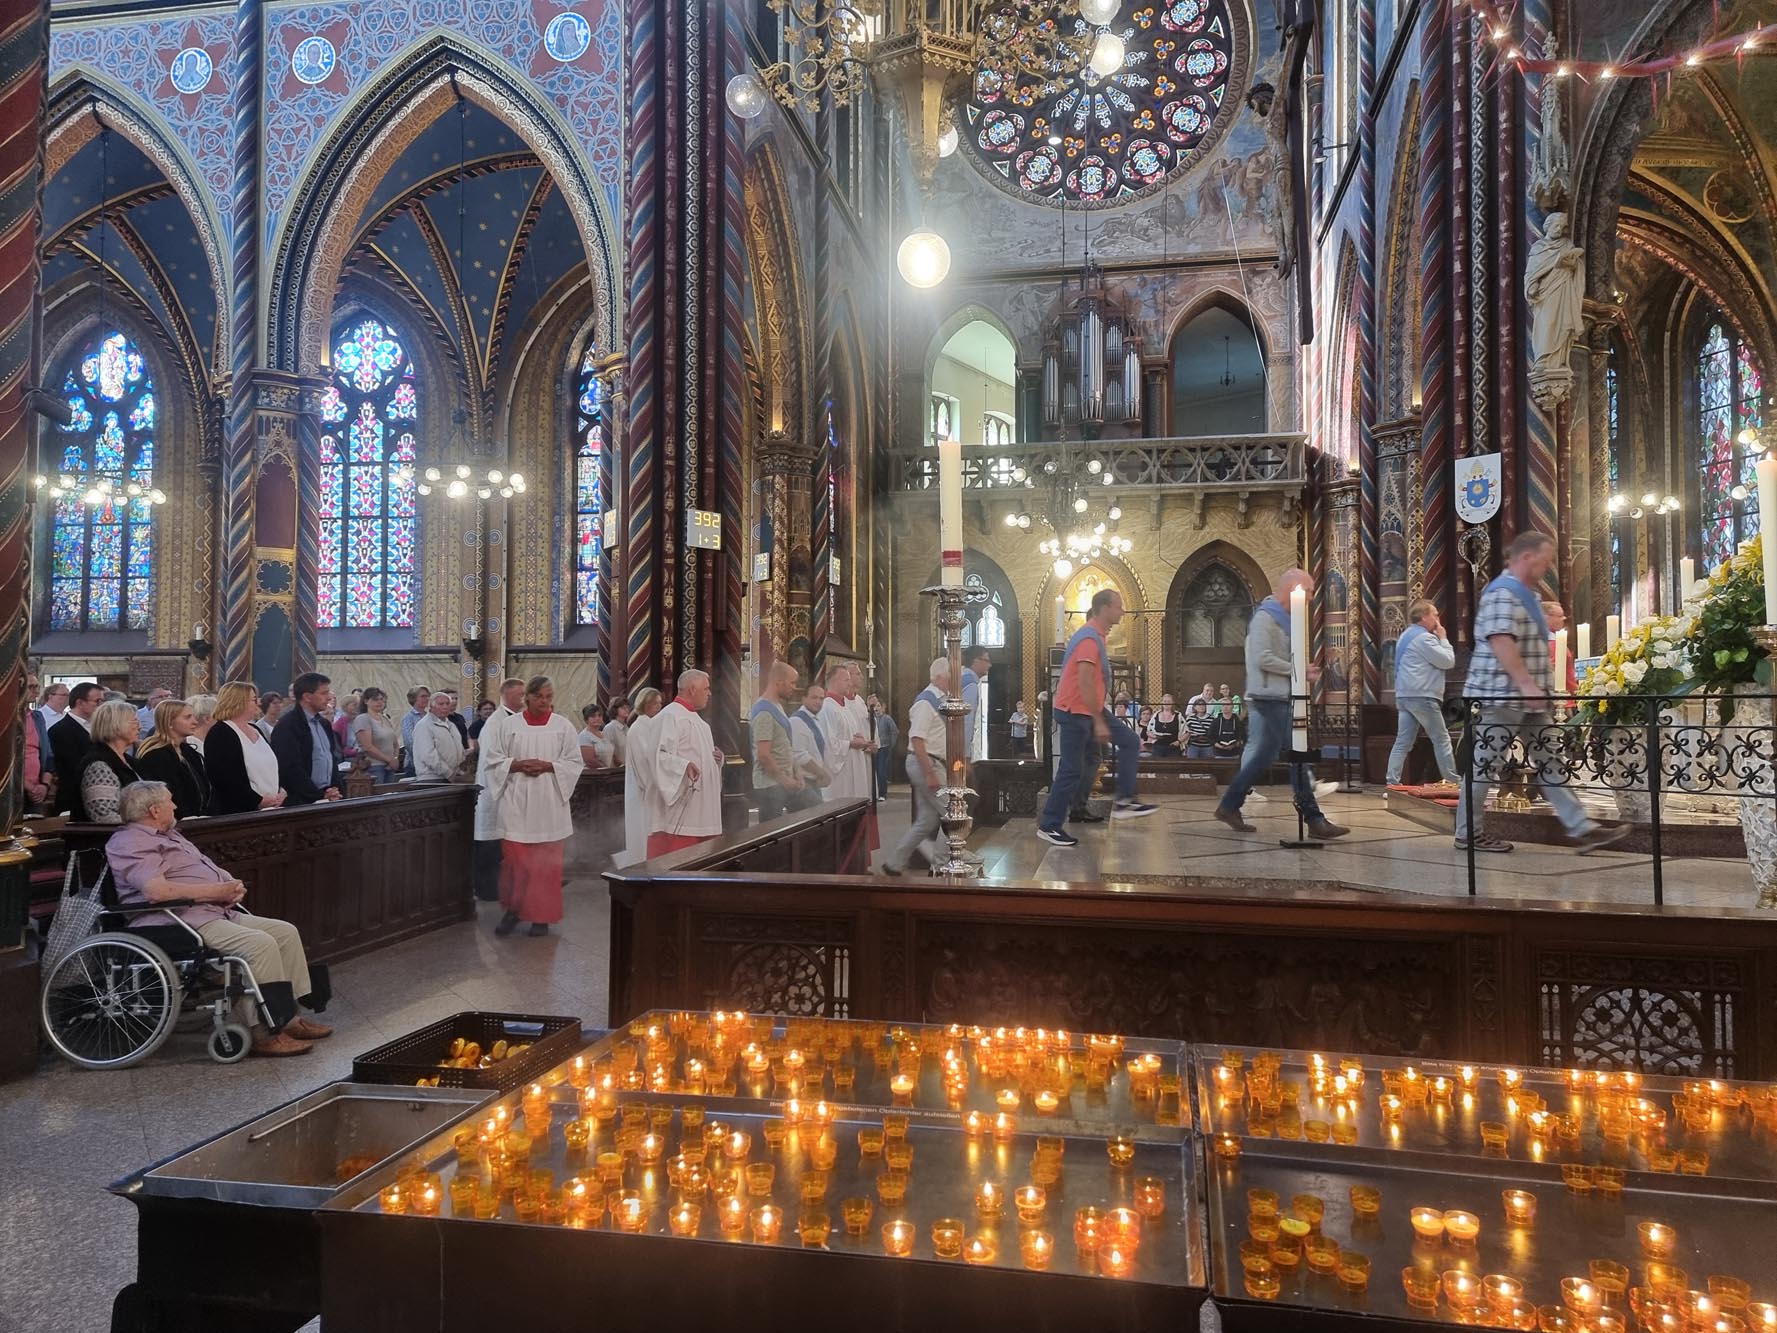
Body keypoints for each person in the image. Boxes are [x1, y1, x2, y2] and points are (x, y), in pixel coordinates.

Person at [106, 781, 331, 1056]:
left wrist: (232, 886)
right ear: (154, 810)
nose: (175, 806)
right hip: (176, 921)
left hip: (210, 911)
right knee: (260, 944)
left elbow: (205, 868)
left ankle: (289, 1019)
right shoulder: (131, 842)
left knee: (285, 932)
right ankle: (263, 1031)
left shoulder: (171, 835)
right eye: (170, 801)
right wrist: (216, 891)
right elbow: (157, 892)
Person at [1454, 532, 1628, 855]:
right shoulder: (1503, 593)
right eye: (1545, 560)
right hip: (1502, 696)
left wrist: (1540, 690)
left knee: (1551, 761)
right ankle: (1468, 834)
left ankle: (1582, 829)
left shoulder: (1528, 595)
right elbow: (1501, 640)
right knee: (1485, 765)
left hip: (1528, 700)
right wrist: (1526, 684)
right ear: (1526, 557)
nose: (1548, 567)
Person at [1213, 569, 1350, 840]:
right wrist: (1297, 669)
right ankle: (1233, 805)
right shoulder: (1266, 618)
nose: (1311, 597)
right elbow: (1261, 657)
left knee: (1295, 755)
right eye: (1308, 591)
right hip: (1266, 698)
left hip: (1279, 696)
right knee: (1276, 755)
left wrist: (1298, 671)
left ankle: (1312, 819)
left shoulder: (1284, 620)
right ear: (1292, 588)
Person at [1038, 589, 1157, 846]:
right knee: (1071, 768)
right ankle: (1049, 825)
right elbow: (1084, 682)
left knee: (1123, 743)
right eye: (1118, 606)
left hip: (1088, 709)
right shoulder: (1089, 639)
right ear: (1105, 608)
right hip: (1074, 711)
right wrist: (1099, 721)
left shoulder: (1098, 636)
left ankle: (1117, 802)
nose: (1122, 611)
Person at [482, 676, 584, 936]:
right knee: (516, 862)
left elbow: (574, 762)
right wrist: (517, 765)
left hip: (549, 802)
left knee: (545, 864)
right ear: (527, 697)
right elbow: (492, 760)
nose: (544, 701)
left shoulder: (563, 726)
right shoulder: (508, 725)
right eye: (539, 696)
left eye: (549, 697)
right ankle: (513, 910)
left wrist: (548, 765)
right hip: (516, 801)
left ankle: (541, 917)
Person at [882, 658, 951, 876]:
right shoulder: (925, 702)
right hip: (926, 762)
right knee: (954, 814)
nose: (954, 682)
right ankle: (941, 866)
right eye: (951, 677)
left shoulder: (940, 700)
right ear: (938, 677)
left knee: (927, 820)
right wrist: (929, 773)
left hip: (929, 762)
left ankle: (894, 863)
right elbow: (917, 739)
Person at [648, 669, 724, 857]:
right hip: (682, 808)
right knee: (679, 859)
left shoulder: (701, 723)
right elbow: (657, 757)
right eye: (706, 688)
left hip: (704, 808)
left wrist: (716, 759)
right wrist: (683, 766)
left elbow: (702, 756)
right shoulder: (669, 716)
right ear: (692, 689)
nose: (709, 693)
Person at [1386, 599, 1460, 786]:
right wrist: (1443, 638)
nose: (1438, 619)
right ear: (1424, 617)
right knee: (1441, 739)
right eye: (1435, 615)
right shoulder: (1425, 638)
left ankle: (1392, 783)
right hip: (1422, 695)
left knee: (1403, 741)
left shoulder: (1405, 635)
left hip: (1404, 695)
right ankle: (1453, 782)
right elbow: (1448, 661)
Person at [471, 678, 527, 901]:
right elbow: (492, 760)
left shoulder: (515, 719)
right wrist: (522, 765)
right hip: (495, 792)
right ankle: (486, 891)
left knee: (503, 846)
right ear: (507, 695)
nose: (524, 698)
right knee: (490, 847)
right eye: (521, 694)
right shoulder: (495, 724)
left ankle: (503, 887)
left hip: (510, 792)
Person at [205, 682, 288, 813]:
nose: (258, 703)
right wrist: (258, 801)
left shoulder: (255, 729)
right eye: (254, 699)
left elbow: (272, 764)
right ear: (238, 702)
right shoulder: (221, 733)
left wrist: (281, 791)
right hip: (240, 811)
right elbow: (225, 777)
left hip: (271, 807)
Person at [134, 698, 213, 821]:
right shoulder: (156, 756)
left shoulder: (189, 752)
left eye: (193, 716)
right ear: (169, 722)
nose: (195, 722)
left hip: (198, 819)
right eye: (187, 717)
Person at [270, 672, 342, 805]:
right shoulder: (288, 725)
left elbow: (330, 759)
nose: (328, 698)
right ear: (307, 697)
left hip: (328, 796)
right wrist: (317, 795)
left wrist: (334, 789)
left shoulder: (324, 724)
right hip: (302, 801)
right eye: (324, 693)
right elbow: (289, 767)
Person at [71, 699, 143, 823]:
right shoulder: (99, 766)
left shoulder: (130, 761)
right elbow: (105, 816)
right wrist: (145, 825)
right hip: (112, 834)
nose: (140, 727)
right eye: (134, 721)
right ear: (115, 725)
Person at [750, 662, 805, 822]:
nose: (794, 687)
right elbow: (764, 755)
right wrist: (786, 781)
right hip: (769, 786)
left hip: (783, 783)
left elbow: (785, 745)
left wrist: (797, 772)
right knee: (772, 832)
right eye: (792, 683)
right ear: (779, 681)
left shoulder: (777, 706)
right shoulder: (764, 712)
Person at [618, 687, 665, 866]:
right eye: (654, 703)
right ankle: (641, 866)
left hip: (654, 788)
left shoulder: (654, 726)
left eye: (660, 703)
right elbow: (642, 762)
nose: (658, 707)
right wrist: (658, 786)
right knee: (642, 830)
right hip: (643, 790)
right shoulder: (638, 729)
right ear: (645, 704)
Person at [49, 682, 103, 813]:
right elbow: (73, 765)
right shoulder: (61, 730)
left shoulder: (97, 727)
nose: (101, 706)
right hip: (74, 799)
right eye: (97, 701)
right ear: (80, 703)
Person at [790, 679, 833, 807]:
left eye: (821, 698)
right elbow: (799, 755)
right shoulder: (797, 721)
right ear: (803, 699)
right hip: (803, 783)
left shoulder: (814, 720)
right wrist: (822, 773)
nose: (818, 702)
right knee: (819, 814)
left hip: (813, 781)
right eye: (814, 697)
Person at [412, 689, 467, 781]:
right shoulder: (424, 726)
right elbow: (428, 755)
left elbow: (459, 748)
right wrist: (448, 773)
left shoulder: (451, 725)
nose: (445, 707)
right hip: (432, 778)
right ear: (431, 707)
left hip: (453, 776)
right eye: (441, 704)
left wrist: (459, 769)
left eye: (447, 704)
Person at [353, 687, 400, 781]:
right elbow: (368, 747)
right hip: (374, 767)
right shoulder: (363, 719)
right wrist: (389, 760)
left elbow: (395, 743)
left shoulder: (385, 718)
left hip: (390, 767)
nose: (379, 702)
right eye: (375, 700)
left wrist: (395, 758)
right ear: (366, 701)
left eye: (381, 699)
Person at [23, 672, 53, 813]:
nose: (36, 691)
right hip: (11, 788)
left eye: (37, 687)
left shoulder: (37, 717)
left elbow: (48, 754)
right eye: (31, 687)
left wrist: (44, 785)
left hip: (37, 788)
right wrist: (28, 786)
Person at [1542, 600, 1579, 695]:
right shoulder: (1551, 644)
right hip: (1563, 696)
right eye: (1559, 616)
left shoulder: (1556, 640)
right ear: (1546, 617)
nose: (1564, 618)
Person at [961, 649, 991, 761]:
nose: (990, 665)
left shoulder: (961, 678)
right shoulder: (970, 685)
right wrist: (965, 755)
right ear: (975, 661)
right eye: (986, 660)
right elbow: (966, 721)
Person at [399, 685, 431, 776]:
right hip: (414, 764)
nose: (426, 699)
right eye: (423, 696)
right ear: (414, 698)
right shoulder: (409, 718)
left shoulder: (430, 716)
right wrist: (422, 759)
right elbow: (409, 743)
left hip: (431, 763)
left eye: (427, 696)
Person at [871, 694, 898, 795]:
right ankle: (875, 792)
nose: (876, 708)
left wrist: (891, 745)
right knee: (874, 771)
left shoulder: (887, 719)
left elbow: (894, 731)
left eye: (878, 706)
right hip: (874, 748)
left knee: (881, 770)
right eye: (875, 706)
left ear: (883, 707)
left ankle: (882, 793)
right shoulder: (871, 718)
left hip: (883, 747)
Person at [577, 704, 615, 769]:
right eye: (593, 716)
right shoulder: (584, 736)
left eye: (599, 715)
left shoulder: (604, 734)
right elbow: (590, 761)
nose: (597, 718)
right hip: (593, 773)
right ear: (586, 719)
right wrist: (606, 769)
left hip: (608, 772)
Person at [333, 693, 362, 761]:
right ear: (345, 707)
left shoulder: (361, 721)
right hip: (347, 759)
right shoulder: (340, 724)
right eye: (354, 705)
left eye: (359, 705)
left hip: (362, 757)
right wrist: (354, 752)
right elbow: (337, 747)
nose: (357, 707)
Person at [606, 699, 633, 765]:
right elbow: (609, 752)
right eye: (623, 708)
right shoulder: (610, 728)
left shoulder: (627, 728)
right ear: (615, 710)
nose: (627, 710)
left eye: (627, 707)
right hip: (617, 768)